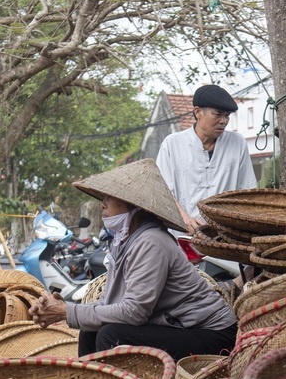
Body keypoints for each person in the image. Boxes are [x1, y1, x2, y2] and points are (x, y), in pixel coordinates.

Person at [29, 159, 237, 360]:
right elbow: (110, 302)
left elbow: (134, 312)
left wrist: (67, 311)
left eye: (110, 197)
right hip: (176, 325)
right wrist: (66, 309)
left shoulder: (150, 242)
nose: (103, 203)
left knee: (111, 336)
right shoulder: (126, 241)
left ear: (134, 205)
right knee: (90, 331)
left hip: (211, 333)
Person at [155, 84, 257, 235]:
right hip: (183, 236)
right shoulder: (172, 144)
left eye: (227, 116)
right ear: (198, 112)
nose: (223, 121)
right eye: (218, 114)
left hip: (225, 238)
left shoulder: (237, 143)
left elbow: (247, 190)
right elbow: (161, 189)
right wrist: (184, 217)